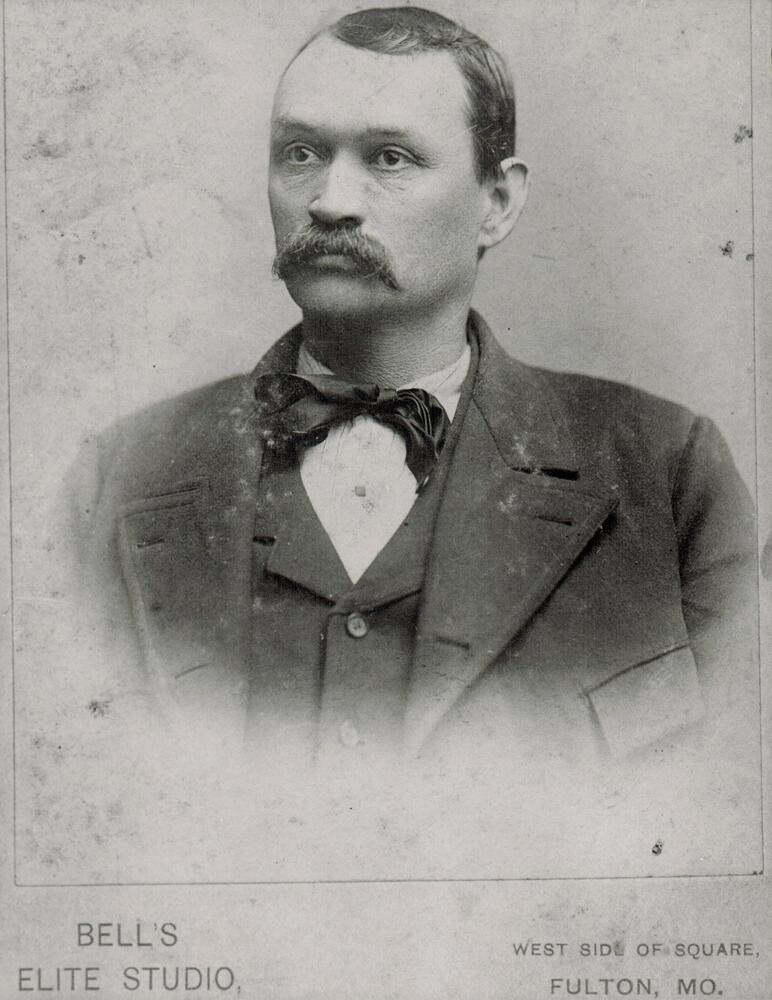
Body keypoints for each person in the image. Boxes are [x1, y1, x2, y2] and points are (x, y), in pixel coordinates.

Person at [64, 7, 758, 870]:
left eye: (390, 158)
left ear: (496, 202)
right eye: (300, 153)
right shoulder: (115, 477)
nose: (329, 200)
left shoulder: (668, 470)